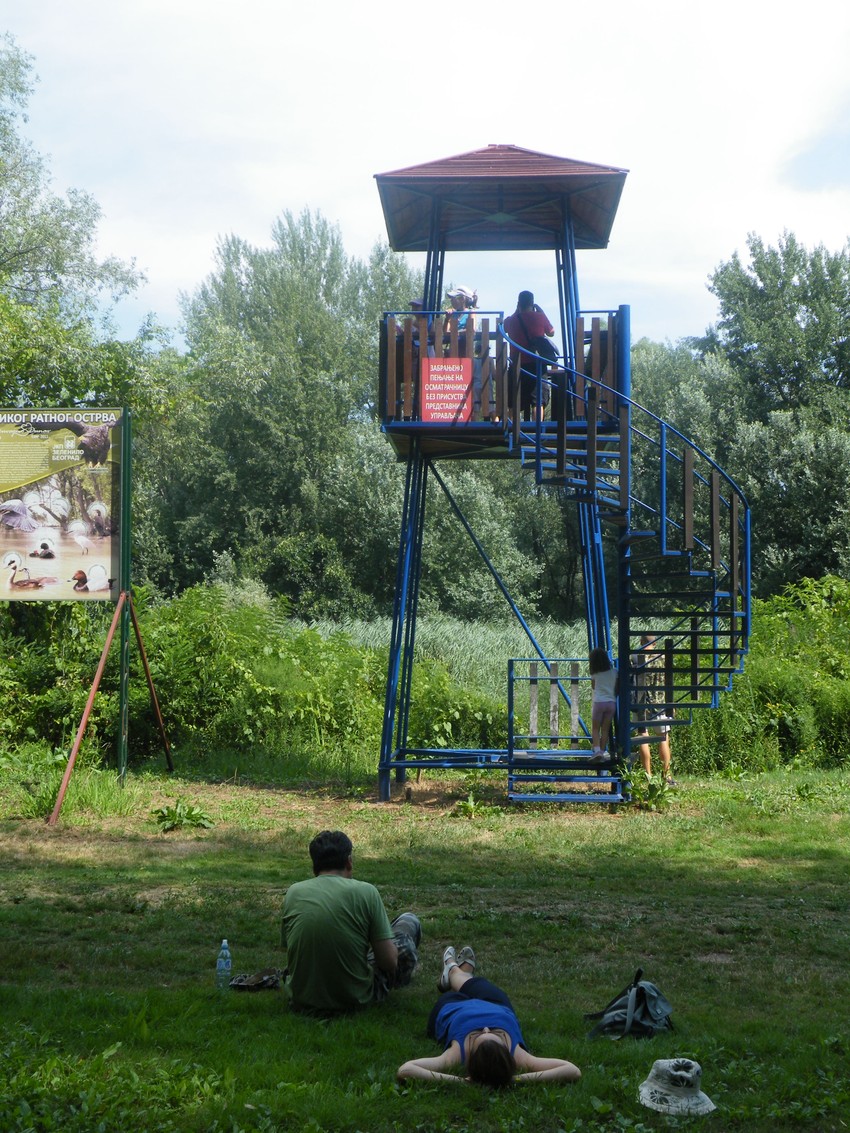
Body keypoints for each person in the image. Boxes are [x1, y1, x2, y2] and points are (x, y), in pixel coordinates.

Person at [397, 946, 581, 1088]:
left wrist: (462, 1082)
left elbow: (406, 1070)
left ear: (471, 1057)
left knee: (462, 985)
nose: (486, 1028)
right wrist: (516, 1079)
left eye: (479, 1035)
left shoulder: (456, 1054)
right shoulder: (518, 1055)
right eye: (496, 1034)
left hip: (452, 1007)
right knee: (471, 983)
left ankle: (452, 970)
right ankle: (459, 973)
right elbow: (572, 1070)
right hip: (496, 1005)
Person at [280, 830, 421, 1015]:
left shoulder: (293, 892)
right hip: (355, 1000)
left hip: (302, 1000)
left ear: (315, 866)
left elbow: (289, 949)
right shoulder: (366, 892)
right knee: (409, 922)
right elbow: (388, 962)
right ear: (349, 861)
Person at [503, 291, 557, 422]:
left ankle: (512, 428)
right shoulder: (539, 317)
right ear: (532, 303)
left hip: (517, 365)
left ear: (518, 304)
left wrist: (516, 311)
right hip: (536, 363)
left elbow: (504, 328)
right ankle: (537, 428)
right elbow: (551, 332)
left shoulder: (512, 321)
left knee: (514, 401)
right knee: (537, 400)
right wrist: (542, 312)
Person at [631, 635, 675, 784]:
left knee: (643, 736)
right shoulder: (663, 657)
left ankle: (648, 775)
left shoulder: (635, 657)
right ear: (655, 643)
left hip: (641, 702)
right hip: (660, 701)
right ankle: (667, 775)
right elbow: (669, 680)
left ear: (641, 642)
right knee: (663, 737)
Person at [588, 647, 618, 761]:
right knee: (605, 729)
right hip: (611, 703)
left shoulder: (595, 674)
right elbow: (617, 687)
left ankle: (597, 752)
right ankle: (602, 750)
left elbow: (593, 687)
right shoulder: (614, 672)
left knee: (596, 728)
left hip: (599, 703)